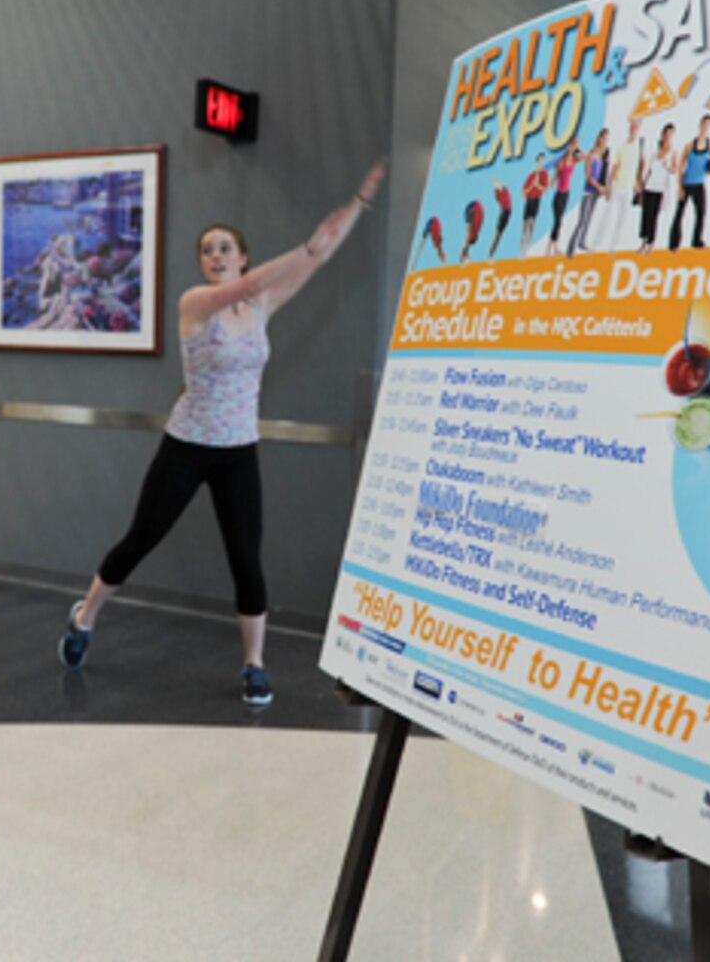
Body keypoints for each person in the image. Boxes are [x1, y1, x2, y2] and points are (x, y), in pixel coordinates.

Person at [58, 160, 388, 706]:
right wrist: (305, 249)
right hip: (187, 445)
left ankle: (253, 664)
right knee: (139, 540)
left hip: (238, 451)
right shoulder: (195, 304)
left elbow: (320, 255)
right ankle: (85, 617)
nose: (215, 257)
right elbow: (280, 268)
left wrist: (359, 203)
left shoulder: (260, 307)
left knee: (246, 559)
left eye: (224, 249)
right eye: (208, 250)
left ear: (242, 256)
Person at [597, 117, 645, 253]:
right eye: (632, 126)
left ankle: (613, 246)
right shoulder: (622, 145)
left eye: (636, 126)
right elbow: (614, 167)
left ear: (639, 128)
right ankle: (596, 245)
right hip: (617, 186)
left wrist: (638, 182)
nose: (633, 128)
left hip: (629, 188)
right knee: (607, 217)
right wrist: (609, 186)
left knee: (622, 219)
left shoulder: (640, 145)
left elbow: (642, 164)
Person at [669, 114, 710, 251]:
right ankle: (674, 244)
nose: (705, 127)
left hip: (699, 184)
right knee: (679, 214)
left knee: (701, 214)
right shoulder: (689, 145)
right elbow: (681, 166)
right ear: (700, 125)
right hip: (687, 183)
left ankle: (697, 241)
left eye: (708, 125)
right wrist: (679, 187)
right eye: (704, 124)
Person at [566, 127, 610, 258]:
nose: (605, 141)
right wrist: (598, 187)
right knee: (582, 221)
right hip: (589, 192)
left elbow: (602, 175)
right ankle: (570, 249)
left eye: (607, 138)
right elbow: (589, 177)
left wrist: (604, 189)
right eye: (604, 137)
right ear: (599, 138)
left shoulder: (603, 157)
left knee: (589, 219)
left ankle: (582, 242)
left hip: (596, 193)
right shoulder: (591, 155)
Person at [637, 123, 676, 253]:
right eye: (666, 134)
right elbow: (649, 169)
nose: (667, 136)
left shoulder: (672, 152)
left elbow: (674, 169)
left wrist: (667, 166)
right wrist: (641, 184)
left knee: (653, 216)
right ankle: (643, 242)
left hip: (660, 188)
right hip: (649, 186)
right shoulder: (655, 151)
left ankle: (651, 243)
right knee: (645, 215)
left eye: (670, 134)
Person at [548, 144, 583, 255]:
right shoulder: (561, 163)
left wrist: (578, 149)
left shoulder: (574, 161)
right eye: (570, 147)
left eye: (573, 148)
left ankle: (553, 248)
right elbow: (555, 177)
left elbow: (585, 156)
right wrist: (550, 182)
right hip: (558, 195)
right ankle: (552, 248)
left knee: (559, 222)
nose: (571, 149)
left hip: (566, 194)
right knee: (557, 222)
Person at [516, 154, 551, 258]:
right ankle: (521, 249)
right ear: (536, 162)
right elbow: (522, 193)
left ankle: (527, 247)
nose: (540, 164)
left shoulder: (544, 174)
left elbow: (545, 190)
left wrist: (537, 185)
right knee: (524, 225)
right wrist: (531, 186)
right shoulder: (531, 175)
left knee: (532, 224)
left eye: (542, 162)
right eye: (539, 162)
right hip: (528, 200)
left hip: (536, 200)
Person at [484, 178, 514, 260]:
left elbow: (507, 199)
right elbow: (498, 200)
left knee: (500, 233)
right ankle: (491, 253)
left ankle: (491, 253)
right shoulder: (497, 192)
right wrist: (496, 189)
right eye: (494, 184)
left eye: (497, 183)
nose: (496, 185)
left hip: (508, 212)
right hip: (504, 212)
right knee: (498, 234)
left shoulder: (505, 189)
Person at [458, 198, 486, 263]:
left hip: (476, 207)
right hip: (475, 208)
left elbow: (467, 241)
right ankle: (464, 257)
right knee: (467, 235)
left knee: (467, 234)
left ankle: (464, 257)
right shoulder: (474, 232)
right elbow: (467, 240)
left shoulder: (476, 230)